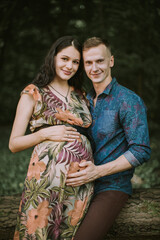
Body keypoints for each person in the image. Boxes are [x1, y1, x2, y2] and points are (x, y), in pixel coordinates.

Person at [9, 36, 94, 240]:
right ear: (53, 57)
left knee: (68, 233)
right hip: (46, 181)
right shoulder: (33, 92)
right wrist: (43, 133)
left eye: (75, 62)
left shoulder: (81, 95)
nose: (70, 66)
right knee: (39, 232)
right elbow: (14, 144)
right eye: (64, 58)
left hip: (79, 182)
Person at [66, 37, 151, 240]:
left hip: (112, 187)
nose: (94, 67)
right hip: (81, 186)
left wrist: (97, 172)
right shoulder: (83, 101)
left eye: (100, 61)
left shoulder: (128, 100)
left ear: (111, 61)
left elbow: (141, 150)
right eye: (88, 62)